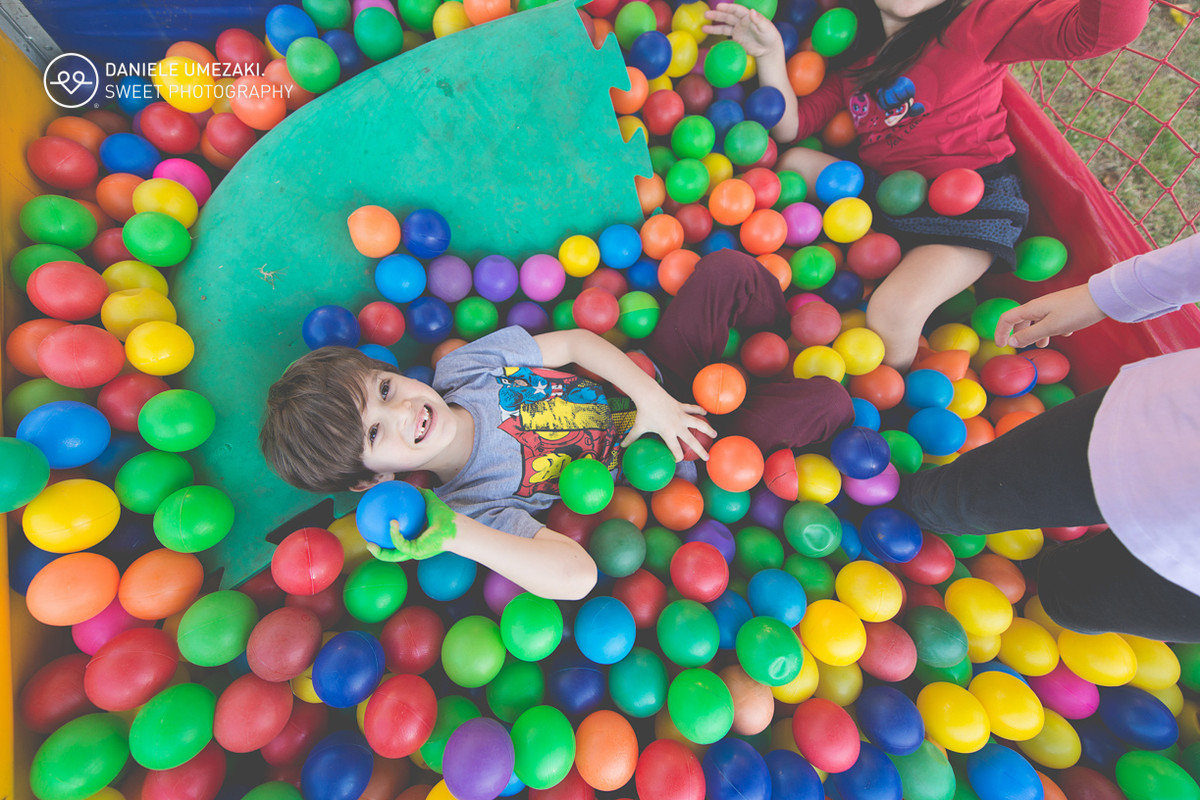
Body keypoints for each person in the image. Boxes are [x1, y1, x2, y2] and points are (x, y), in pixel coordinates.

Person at [261, 250, 854, 599]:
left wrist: (654, 399)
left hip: (652, 379)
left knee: (728, 267)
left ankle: (772, 335)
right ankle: (785, 387)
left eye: (384, 390)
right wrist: (451, 535)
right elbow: (577, 576)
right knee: (827, 403)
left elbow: (573, 339)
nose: (400, 412)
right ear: (374, 480)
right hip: (675, 455)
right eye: (374, 434)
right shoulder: (472, 508)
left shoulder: (461, 368)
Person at [704, 0, 1148, 370]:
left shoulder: (976, 24)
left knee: (891, 312)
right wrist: (769, 56)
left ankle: (887, 399)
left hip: (970, 209)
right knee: (795, 161)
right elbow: (791, 128)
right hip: (887, 199)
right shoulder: (857, 62)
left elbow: (1099, 33)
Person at [897, 233, 1200, 641]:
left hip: (1188, 578)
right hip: (1155, 435)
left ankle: (1046, 580)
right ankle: (920, 506)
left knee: (1072, 601)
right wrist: (1104, 297)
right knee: (952, 500)